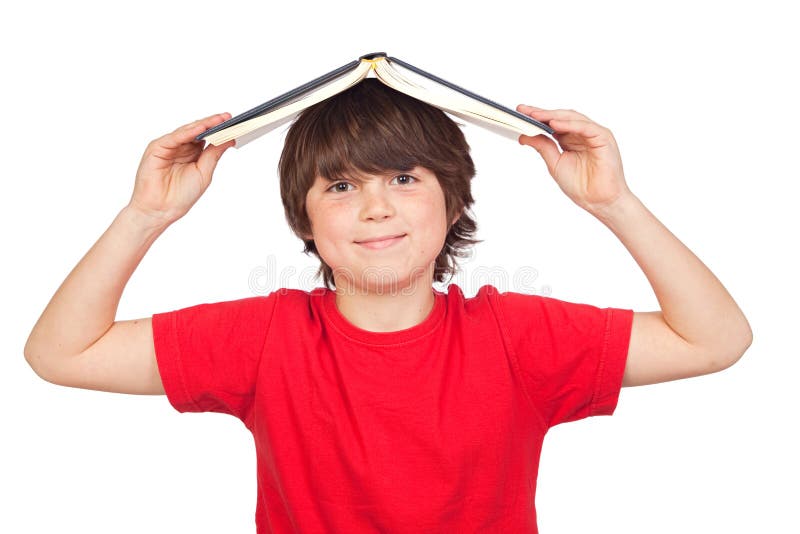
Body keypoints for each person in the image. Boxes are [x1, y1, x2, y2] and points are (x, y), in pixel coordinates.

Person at [24, 80, 752, 533]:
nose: (375, 207)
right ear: (304, 220)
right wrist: (146, 215)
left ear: (452, 199)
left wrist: (611, 201)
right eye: (340, 187)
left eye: (404, 177)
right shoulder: (266, 336)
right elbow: (61, 353)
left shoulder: (515, 335)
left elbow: (714, 339)